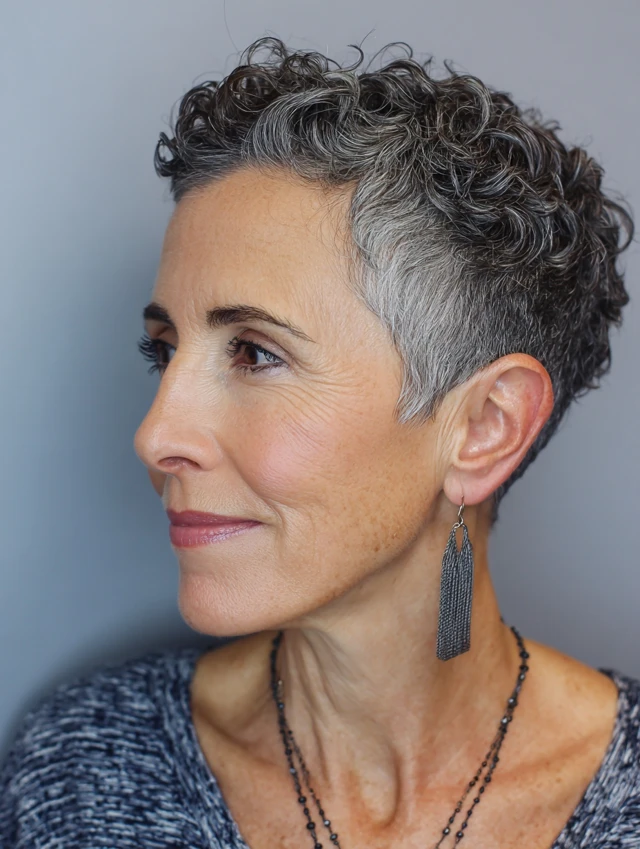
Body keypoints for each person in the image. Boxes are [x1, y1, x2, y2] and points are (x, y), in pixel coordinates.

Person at [1, 36, 638, 849]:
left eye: (255, 353)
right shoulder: (80, 772)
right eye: (165, 351)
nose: (155, 435)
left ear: (485, 427)